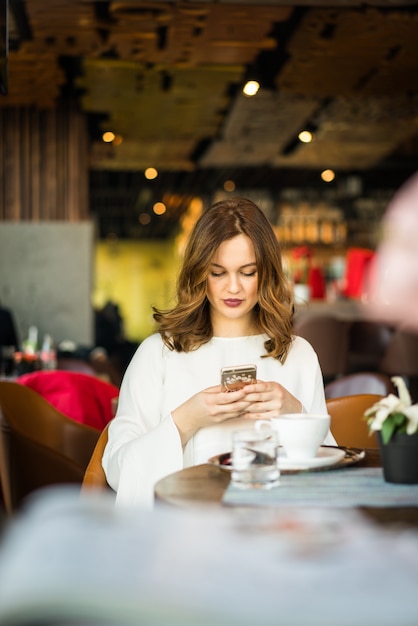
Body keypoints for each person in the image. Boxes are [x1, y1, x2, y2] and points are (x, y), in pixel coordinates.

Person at [102, 197, 335, 507]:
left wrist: (294, 413)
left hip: (275, 532)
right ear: (199, 273)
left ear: (266, 274)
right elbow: (118, 471)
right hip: (183, 533)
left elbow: (331, 473)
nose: (233, 288)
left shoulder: (297, 355)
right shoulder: (159, 353)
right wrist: (185, 421)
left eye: (248, 272)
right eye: (218, 272)